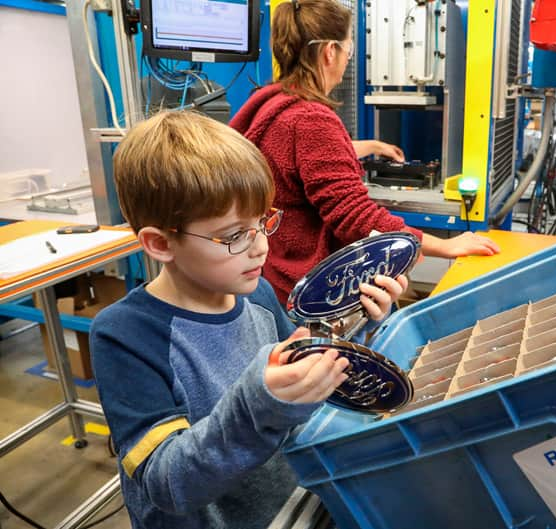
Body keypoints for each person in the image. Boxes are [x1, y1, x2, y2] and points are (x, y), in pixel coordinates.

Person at [89, 111, 407, 528]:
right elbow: (165, 483)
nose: (260, 247)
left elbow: (296, 363)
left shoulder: (254, 295)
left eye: (263, 222)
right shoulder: (125, 335)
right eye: (235, 235)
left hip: (284, 508)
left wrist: (358, 321)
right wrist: (261, 404)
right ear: (160, 243)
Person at [230, 0, 500, 304]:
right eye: (349, 50)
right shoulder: (310, 119)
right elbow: (355, 217)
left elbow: (296, 157)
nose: (347, 60)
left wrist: (372, 146)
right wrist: (443, 245)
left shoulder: (272, 103)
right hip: (305, 289)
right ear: (330, 51)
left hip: (272, 276)